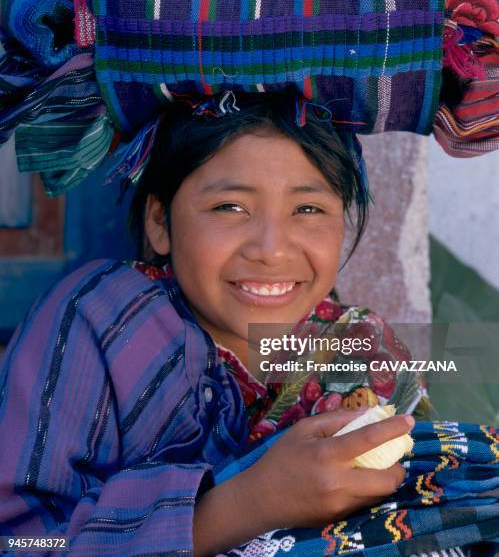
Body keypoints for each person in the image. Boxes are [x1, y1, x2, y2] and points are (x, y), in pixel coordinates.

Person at [0, 93, 433, 556]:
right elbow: (19, 541)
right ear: (159, 221)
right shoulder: (98, 321)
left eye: (308, 209)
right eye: (230, 207)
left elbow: (430, 515)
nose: (271, 249)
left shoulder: (366, 354)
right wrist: (242, 506)